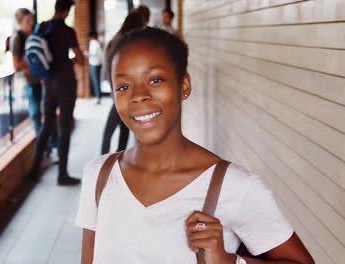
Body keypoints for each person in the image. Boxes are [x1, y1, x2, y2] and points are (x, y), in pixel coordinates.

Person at [76, 27, 315, 264]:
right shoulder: (99, 176)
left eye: (155, 80)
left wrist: (229, 262)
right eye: (124, 86)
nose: (139, 95)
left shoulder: (234, 186)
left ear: (184, 86)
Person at [31, 0, 85, 186]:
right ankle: (62, 174)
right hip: (66, 83)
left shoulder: (43, 27)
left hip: (48, 83)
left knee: (46, 126)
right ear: (67, 11)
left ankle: (34, 170)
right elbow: (79, 58)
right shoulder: (67, 31)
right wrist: (71, 59)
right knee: (64, 128)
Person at [11, 8, 57, 158]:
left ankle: (51, 144)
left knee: (48, 113)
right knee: (36, 113)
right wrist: (35, 66)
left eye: (32, 20)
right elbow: (16, 64)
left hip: (43, 79)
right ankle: (43, 147)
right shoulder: (17, 38)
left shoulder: (35, 34)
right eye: (27, 21)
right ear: (20, 23)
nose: (31, 23)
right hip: (31, 81)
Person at [100, 11, 145, 155]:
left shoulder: (118, 38)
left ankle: (120, 157)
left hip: (121, 89)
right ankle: (103, 162)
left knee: (124, 127)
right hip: (124, 90)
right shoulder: (128, 41)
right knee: (110, 129)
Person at [87, 31, 103, 104]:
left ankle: (98, 98)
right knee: (96, 81)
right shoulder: (96, 42)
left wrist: (86, 53)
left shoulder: (94, 43)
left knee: (95, 81)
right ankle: (98, 97)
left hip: (94, 63)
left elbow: (93, 54)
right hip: (96, 63)